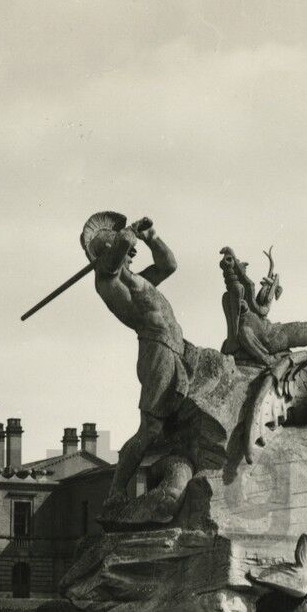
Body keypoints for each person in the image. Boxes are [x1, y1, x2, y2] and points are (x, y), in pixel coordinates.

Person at [81, 213, 203, 508]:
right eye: (128, 250)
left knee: (177, 423)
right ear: (107, 252)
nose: (133, 253)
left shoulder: (137, 279)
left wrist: (151, 237)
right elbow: (122, 243)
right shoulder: (107, 279)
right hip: (157, 352)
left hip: (176, 349)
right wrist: (129, 231)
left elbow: (169, 264)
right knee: (151, 429)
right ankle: (116, 492)